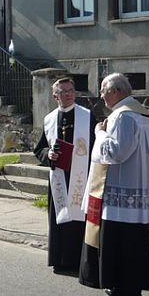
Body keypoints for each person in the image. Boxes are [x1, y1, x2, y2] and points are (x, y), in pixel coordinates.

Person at [79, 73, 149, 296]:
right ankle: (131, 289)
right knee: (132, 244)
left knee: (120, 244)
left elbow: (117, 153)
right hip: (131, 190)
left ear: (116, 92)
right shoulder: (139, 114)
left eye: (104, 91)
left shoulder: (124, 116)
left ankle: (121, 291)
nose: (101, 96)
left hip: (120, 191)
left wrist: (99, 133)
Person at [34, 77, 95, 274]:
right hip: (59, 176)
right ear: (55, 96)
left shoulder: (87, 116)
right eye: (63, 92)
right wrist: (48, 154)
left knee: (79, 218)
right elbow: (40, 148)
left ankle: (79, 260)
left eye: (70, 90)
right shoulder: (49, 119)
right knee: (60, 217)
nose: (68, 95)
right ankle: (60, 259)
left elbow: (96, 146)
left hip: (80, 176)